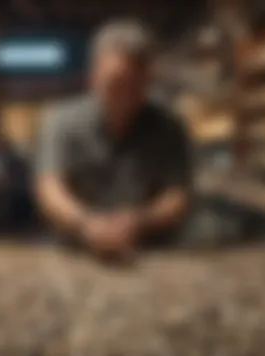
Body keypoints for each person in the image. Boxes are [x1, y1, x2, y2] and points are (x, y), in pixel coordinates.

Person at [35, 20, 193, 259]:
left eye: (135, 86)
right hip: (77, 255)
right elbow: (50, 188)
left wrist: (139, 220)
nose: (124, 97)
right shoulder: (61, 122)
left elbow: (177, 196)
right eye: (115, 83)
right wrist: (87, 223)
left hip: (150, 256)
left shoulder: (169, 127)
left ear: (147, 80)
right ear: (93, 76)